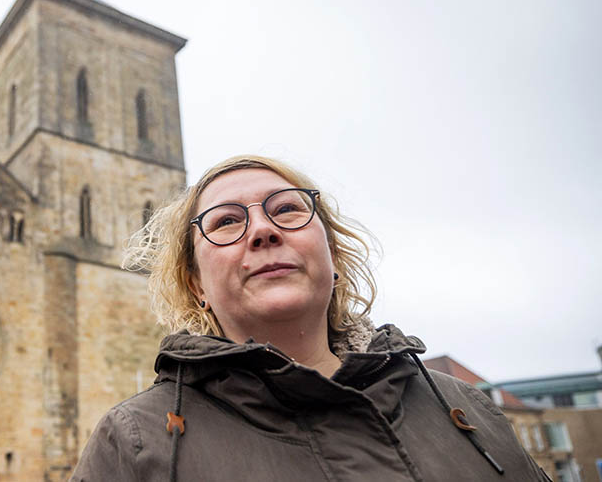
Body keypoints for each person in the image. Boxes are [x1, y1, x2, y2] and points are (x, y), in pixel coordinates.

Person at [70, 155, 548, 481]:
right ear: (197, 284)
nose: (262, 229)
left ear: (332, 255)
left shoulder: (466, 408)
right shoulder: (132, 440)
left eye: (287, 210)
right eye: (226, 222)